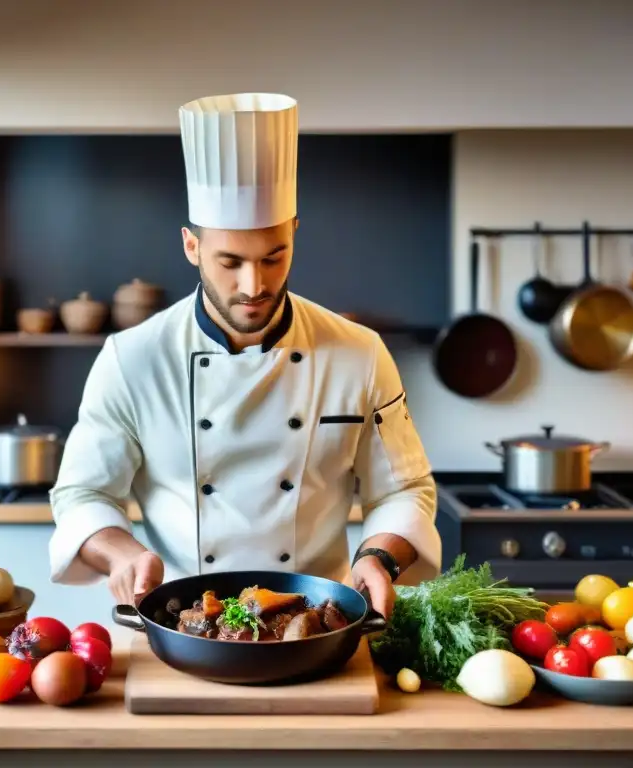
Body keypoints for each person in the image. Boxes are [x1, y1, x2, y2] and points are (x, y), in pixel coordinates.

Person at [49, 92, 441, 619]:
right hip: (179, 623)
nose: (253, 285)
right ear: (192, 247)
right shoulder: (132, 359)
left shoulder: (359, 354)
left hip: (317, 622)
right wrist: (124, 554)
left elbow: (404, 490)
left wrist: (378, 557)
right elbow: (82, 494)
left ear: (294, 233)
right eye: (230, 261)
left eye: (273, 257)